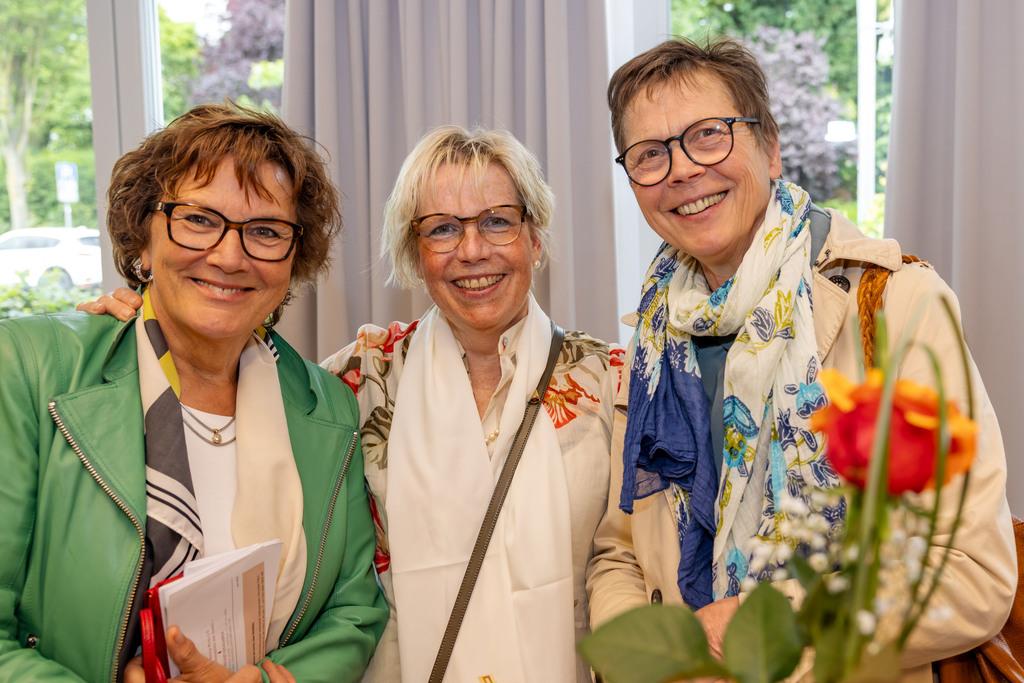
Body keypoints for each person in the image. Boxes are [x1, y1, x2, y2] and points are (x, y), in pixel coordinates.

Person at [79, 125, 623, 682]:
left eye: (498, 221)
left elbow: (626, 561)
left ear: (535, 237)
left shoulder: (613, 385)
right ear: (415, 253)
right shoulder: (358, 381)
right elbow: (223, 379)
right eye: (442, 229)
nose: (472, 250)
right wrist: (141, 326)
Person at [586, 37, 1016, 681]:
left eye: (708, 135)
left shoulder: (896, 305)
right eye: (650, 154)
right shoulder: (652, 336)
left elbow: (967, 572)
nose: (681, 170)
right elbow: (619, 554)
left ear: (770, 146)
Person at [0, 103, 388, 682]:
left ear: (293, 258)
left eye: (265, 231)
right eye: (199, 220)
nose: (230, 256)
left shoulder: (328, 405)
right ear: (143, 237)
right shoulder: (30, 368)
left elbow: (353, 612)